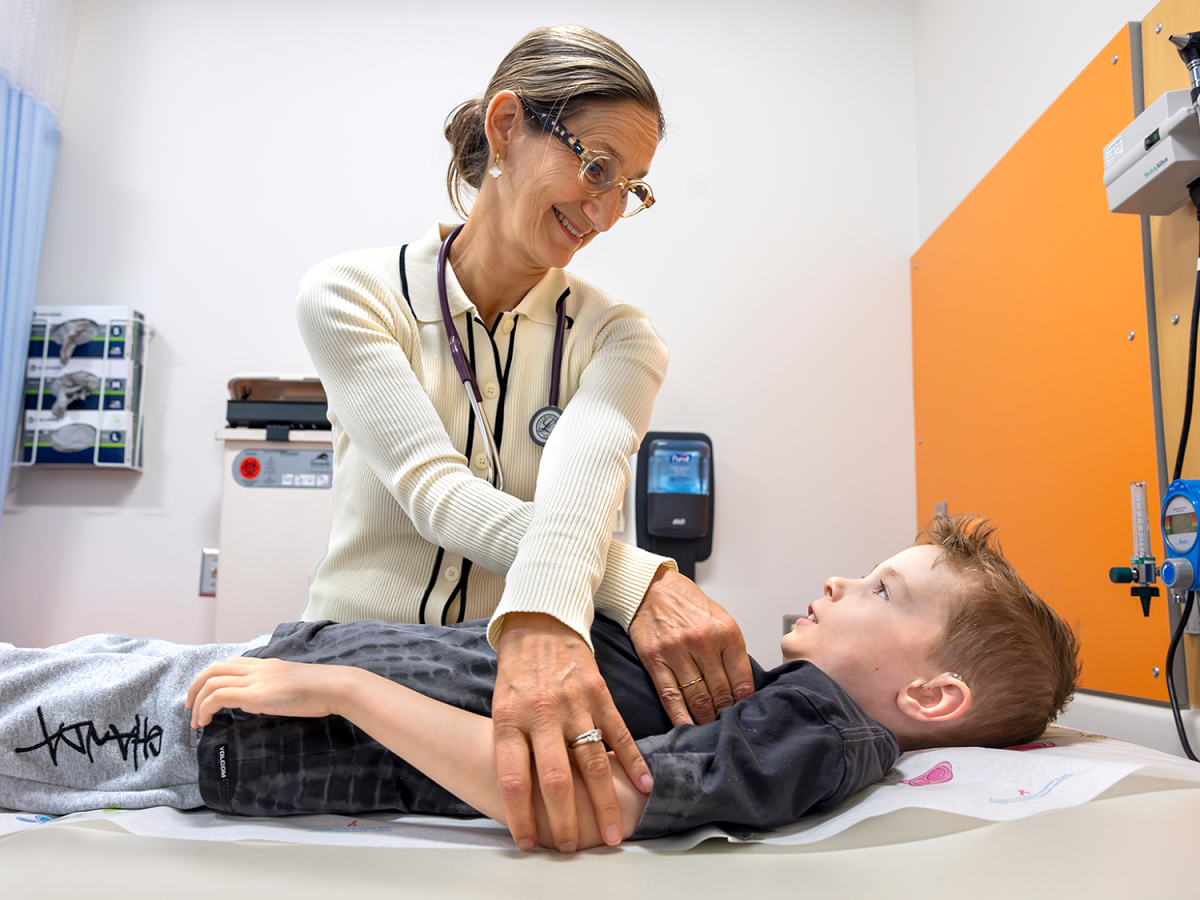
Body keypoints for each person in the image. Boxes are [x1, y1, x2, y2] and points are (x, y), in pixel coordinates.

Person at [293, 24, 753, 852]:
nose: (606, 212)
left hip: (512, 689)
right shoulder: (352, 294)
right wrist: (638, 578)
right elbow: (437, 495)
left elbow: (588, 486)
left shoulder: (619, 338)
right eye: (597, 167)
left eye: (633, 189)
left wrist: (582, 590)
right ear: (506, 126)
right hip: (356, 665)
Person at [0, 516, 1080, 849]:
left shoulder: (821, 735)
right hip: (254, 690)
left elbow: (592, 796)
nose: (846, 577)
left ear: (932, 697)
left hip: (245, 728)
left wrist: (343, 692)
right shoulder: (761, 689)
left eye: (884, 592)